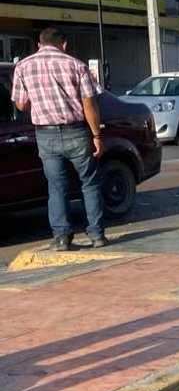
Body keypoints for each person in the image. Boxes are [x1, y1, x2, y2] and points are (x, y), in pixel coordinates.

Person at [11, 27, 108, 251]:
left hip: (45, 134)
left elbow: (21, 104)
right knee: (90, 183)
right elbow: (89, 104)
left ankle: (62, 238)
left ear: (39, 45)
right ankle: (96, 235)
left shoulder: (23, 67)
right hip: (76, 131)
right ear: (64, 44)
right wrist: (96, 136)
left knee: (56, 186)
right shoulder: (77, 65)